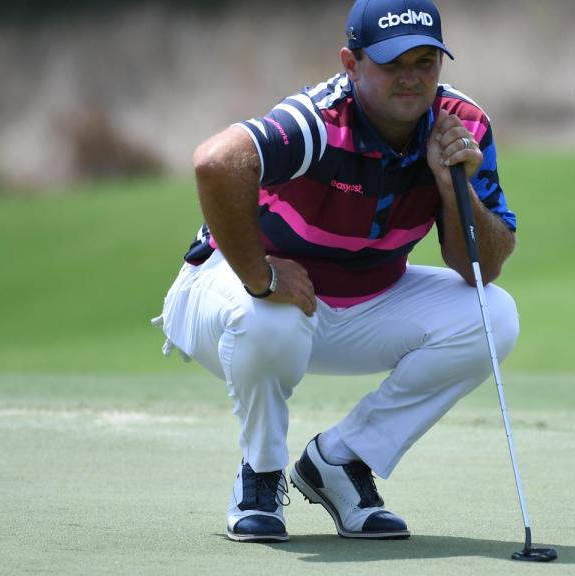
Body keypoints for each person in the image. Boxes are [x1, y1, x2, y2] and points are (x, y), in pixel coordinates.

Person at [152, 0, 519, 543]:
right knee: (271, 317)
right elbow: (216, 161)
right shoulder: (319, 122)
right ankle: (261, 473)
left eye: (425, 62)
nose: (411, 79)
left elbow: (481, 267)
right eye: (393, 64)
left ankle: (340, 461)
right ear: (352, 64)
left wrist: (453, 186)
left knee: (495, 316)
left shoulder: (460, 126)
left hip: (359, 303)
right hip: (229, 295)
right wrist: (261, 275)